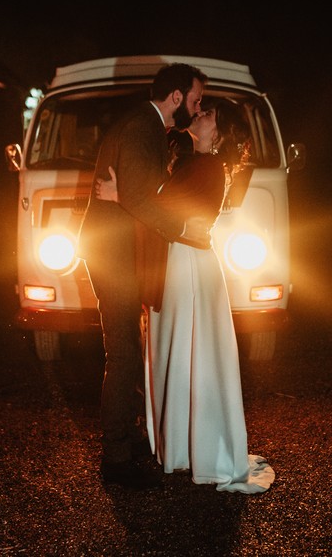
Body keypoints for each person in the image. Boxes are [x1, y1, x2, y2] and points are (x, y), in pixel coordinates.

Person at [95, 99, 276, 493]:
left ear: (219, 131)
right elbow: (169, 217)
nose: (200, 113)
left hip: (190, 266)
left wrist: (118, 196)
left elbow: (175, 217)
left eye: (208, 113)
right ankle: (177, 443)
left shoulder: (208, 167)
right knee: (176, 348)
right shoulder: (189, 160)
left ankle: (191, 446)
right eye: (201, 107)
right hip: (179, 260)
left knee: (188, 350)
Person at [77, 63, 209, 490]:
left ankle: (129, 439)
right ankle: (116, 458)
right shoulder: (140, 127)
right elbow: (137, 195)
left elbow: (144, 191)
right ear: (175, 97)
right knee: (123, 354)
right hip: (111, 255)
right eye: (195, 99)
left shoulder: (152, 129)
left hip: (122, 254)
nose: (197, 106)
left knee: (130, 348)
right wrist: (182, 229)